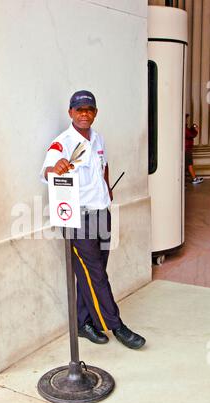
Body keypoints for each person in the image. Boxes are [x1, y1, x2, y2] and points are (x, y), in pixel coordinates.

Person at [40, 90, 146, 350]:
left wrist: (107, 188)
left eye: (89, 109)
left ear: (95, 113)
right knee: (96, 274)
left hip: (102, 213)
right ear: (71, 113)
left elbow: (103, 165)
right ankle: (116, 325)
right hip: (78, 219)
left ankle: (83, 323)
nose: (84, 113)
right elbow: (46, 172)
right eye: (79, 110)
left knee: (93, 274)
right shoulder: (62, 142)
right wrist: (56, 168)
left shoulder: (98, 138)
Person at [185, 114, 203, 184]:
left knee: (188, 164)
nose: (186, 120)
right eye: (186, 118)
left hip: (186, 148)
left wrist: (193, 128)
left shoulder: (184, 127)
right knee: (189, 164)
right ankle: (194, 179)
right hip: (186, 148)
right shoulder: (183, 126)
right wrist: (196, 130)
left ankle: (194, 178)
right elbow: (191, 135)